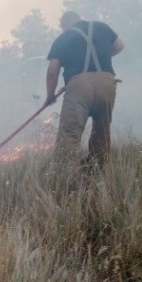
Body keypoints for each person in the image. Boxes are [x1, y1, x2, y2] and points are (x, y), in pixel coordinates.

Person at [45, 11, 125, 168]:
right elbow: (120, 45)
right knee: (102, 130)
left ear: (65, 23)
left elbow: (51, 72)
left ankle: (64, 173)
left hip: (79, 85)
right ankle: (97, 168)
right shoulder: (102, 27)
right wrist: (104, 58)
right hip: (107, 82)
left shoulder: (63, 38)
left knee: (70, 132)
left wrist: (50, 95)